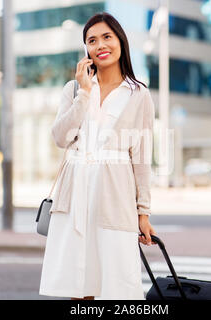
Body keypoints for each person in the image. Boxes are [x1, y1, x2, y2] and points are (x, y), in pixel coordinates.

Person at [39, 12, 157, 300]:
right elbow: (60, 138)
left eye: (107, 37)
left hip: (114, 198)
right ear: (86, 50)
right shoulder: (74, 89)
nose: (100, 45)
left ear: (120, 41)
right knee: (77, 285)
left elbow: (141, 158)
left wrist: (143, 212)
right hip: (75, 196)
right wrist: (84, 93)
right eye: (92, 40)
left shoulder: (138, 94)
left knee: (114, 286)